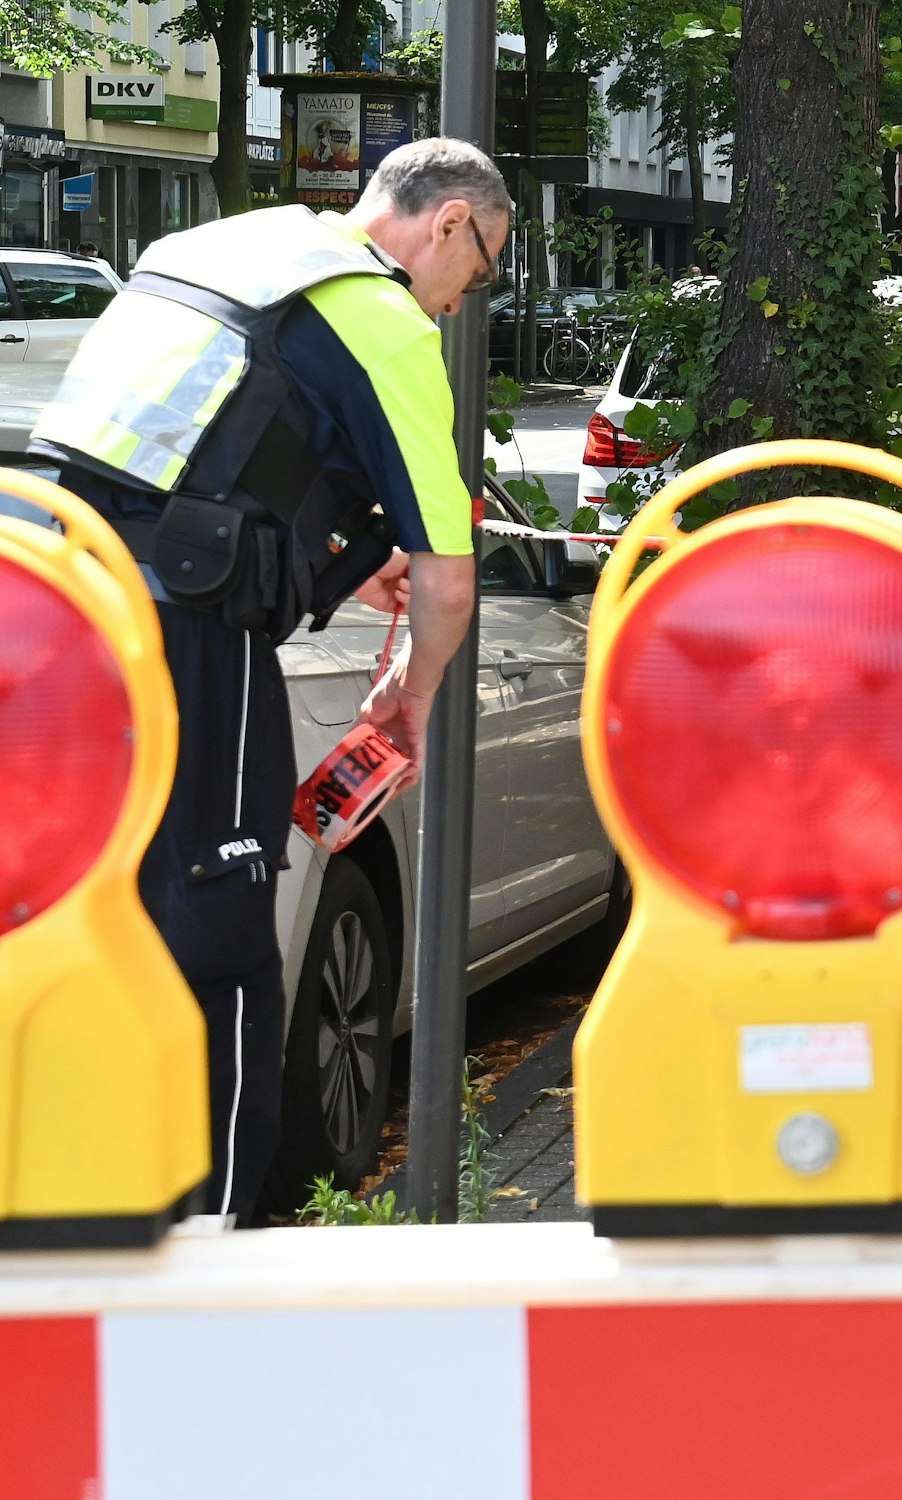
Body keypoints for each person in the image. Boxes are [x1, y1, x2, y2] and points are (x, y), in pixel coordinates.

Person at [29, 138, 507, 1224]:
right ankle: (218, 1228)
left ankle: (74, 1195)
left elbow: (187, 448)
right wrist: (410, 700)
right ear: (446, 226)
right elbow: (447, 588)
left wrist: (335, 553)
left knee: (75, 909)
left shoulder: (218, 246)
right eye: (473, 276)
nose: (455, 305)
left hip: (55, 610)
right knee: (223, 937)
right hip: (190, 637)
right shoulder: (382, 321)